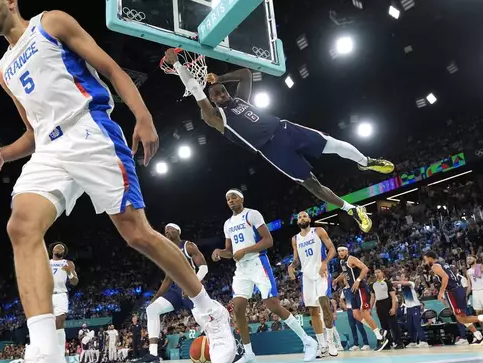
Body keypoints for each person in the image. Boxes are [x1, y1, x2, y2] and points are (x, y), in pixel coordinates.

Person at [0, 2, 236, 363]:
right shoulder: (2, 69)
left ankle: (209, 310)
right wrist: (3, 154)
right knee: (21, 226)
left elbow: (111, 69)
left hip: (89, 130)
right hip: (49, 150)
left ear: (10, 1)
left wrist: (142, 115)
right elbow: (32, 130)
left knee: (137, 235)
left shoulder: (52, 22)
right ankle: (48, 361)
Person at [163, 49, 395, 234]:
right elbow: (194, 88)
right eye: (216, 95)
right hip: (272, 150)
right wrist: (177, 64)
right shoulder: (215, 118)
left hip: (284, 129)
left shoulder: (241, 100)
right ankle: (352, 209)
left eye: (223, 92)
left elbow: (244, 73)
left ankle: (365, 161)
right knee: (311, 184)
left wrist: (219, 78)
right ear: (211, 101)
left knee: (332, 143)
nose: (222, 96)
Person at [212, 189, 318, 363]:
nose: (231, 200)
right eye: (228, 199)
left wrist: (245, 250)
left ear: (242, 199)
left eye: (234, 197)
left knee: (272, 305)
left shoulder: (252, 214)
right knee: (237, 309)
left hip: (258, 263)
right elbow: (230, 252)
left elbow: (268, 241)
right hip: (241, 269)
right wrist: (220, 253)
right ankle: (249, 354)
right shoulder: (227, 224)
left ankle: (308, 341)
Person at [131, 223, 208, 363]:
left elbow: (203, 267)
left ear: (178, 231)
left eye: (170, 229)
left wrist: (193, 284)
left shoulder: (188, 246)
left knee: (201, 317)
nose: (167, 231)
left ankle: (220, 346)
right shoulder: (166, 252)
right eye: (165, 230)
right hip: (176, 291)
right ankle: (153, 356)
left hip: (192, 287)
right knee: (152, 309)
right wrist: (155, 298)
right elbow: (167, 279)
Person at [288, 211, 338, 357]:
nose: (302, 218)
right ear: (297, 222)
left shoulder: (318, 231)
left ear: (309, 219)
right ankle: (322, 345)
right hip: (307, 277)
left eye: (304, 216)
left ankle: (331, 343)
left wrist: (325, 263)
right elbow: (297, 259)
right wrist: (291, 266)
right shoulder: (295, 239)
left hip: (320, 273)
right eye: (299, 217)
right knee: (313, 312)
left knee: (325, 305)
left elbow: (332, 249)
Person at [423, 251, 483, 345]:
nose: (425, 262)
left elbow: (445, 277)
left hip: (452, 292)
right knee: (463, 317)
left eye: (425, 259)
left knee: (460, 319)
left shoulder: (435, 266)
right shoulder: (444, 264)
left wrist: (441, 292)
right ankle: (479, 337)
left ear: (430, 258)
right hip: (459, 289)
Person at [332, 247, 389, 351]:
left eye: (342, 251)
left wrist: (358, 280)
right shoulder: (342, 262)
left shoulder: (351, 259)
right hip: (352, 290)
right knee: (356, 315)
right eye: (339, 251)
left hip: (360, 289)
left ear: (347, 251)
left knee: (364, 313)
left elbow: (365, 268)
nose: (340, 253)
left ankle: (380, 337)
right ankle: (379, 331)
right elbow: (344, 273)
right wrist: (337, 279)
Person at [48, 242, 78, 356]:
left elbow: (75, 282)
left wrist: (69, 272)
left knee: (59, 322)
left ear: (64, 252)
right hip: (47, 295)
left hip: (61, 295)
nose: (60, 248)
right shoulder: (46, 262)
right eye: (57, 247)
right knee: (48, 324)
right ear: (52, 251)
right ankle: (50, 353)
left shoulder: (68, 263)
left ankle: (60, 355)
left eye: (62, 248)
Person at [392, 274, 429, 347]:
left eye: (402, 277)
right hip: (408, 308)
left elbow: (404, 283)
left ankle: (423, 341)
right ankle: (413, 341)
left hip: (415, 306)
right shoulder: (401, 285)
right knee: (410, 325)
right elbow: (396, 286)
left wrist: (395, 281)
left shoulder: (411, 283)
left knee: (416, 323)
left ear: (406, 278)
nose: (401, 278)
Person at [370, 269, 404, 349]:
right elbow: (372, 298)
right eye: (375, 273)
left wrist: (393, 307)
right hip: (379, 304)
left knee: (393, 325)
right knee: (384, 326)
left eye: (378, 272)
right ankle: (387, 344)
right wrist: (370, 308)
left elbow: (393, 296)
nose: (376, 274)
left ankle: (399, 343)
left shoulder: (387, 282)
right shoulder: (373, 285)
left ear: (382, 273)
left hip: (387, 303)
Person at [340, 286, 370, 351]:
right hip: (349, 310)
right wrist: (345, 306)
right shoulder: (344, 289)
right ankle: (356, 344)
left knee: (360, 326)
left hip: (357, 309)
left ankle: (366, 343)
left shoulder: (354, 286)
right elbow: (341, 299)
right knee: (352, 327)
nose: (345, 280)